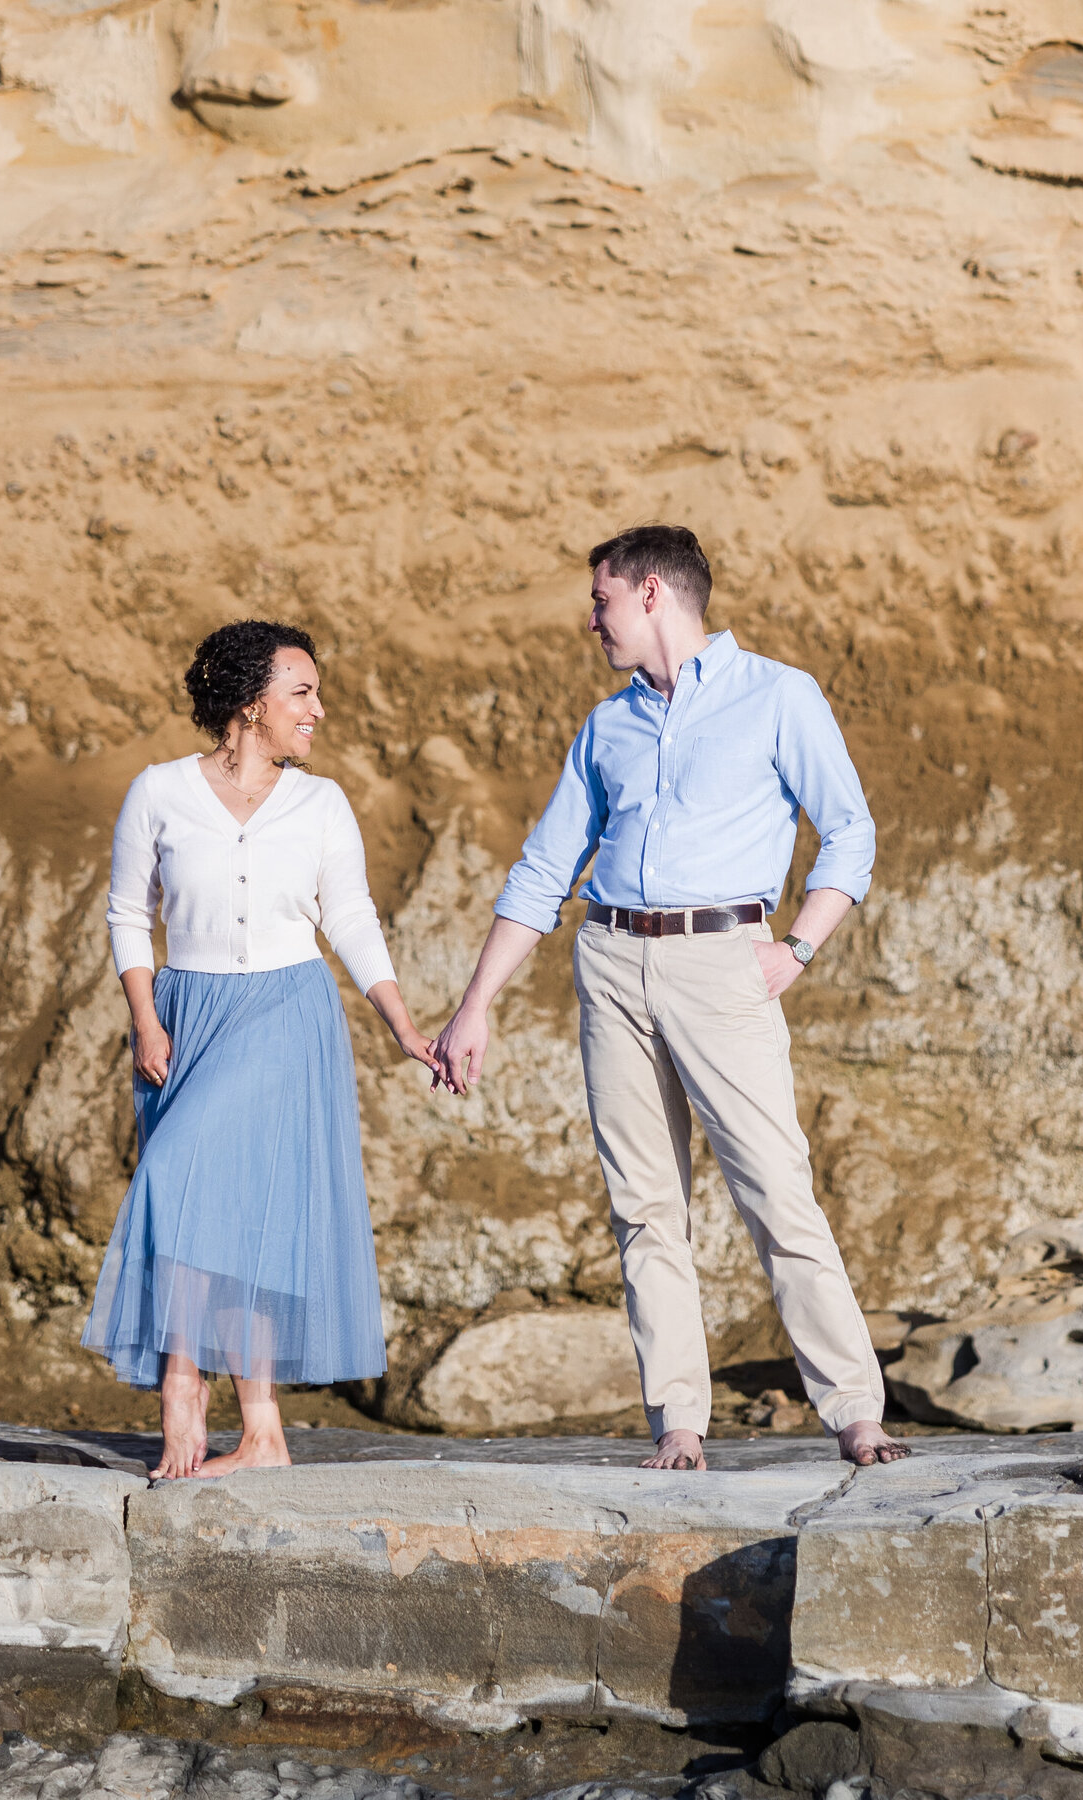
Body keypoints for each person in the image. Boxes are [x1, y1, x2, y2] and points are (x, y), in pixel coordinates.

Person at [431, 524, 910, 1471]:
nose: (591, 619)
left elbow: (848, 835)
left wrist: (797, 950)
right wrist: (474, 1004)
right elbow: (542, 871)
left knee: (775, 1189)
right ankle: (679, 1425)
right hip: (610, 959)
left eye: (600, 598)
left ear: (652, 593)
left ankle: (857, 1411)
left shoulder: (779, 695)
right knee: (645, 1206)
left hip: (725, 959)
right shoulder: (606, 725)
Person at [82, 619, 434, 1479]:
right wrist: (145, 1015)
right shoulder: (159, 792)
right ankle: (264, 1432)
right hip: (188, 1011)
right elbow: (130, 914)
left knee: (194, 1182)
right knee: (227, 1214)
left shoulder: (321, 803)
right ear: (250, 703)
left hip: (287, 1009)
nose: (318, 711)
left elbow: (349, 917)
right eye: (301, 693)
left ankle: (181, 1382)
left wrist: (401, 1023)